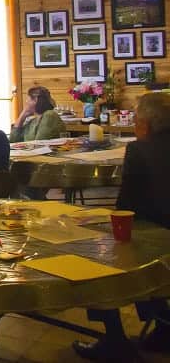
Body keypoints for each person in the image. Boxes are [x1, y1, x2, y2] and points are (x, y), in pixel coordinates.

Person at [73, 92, 170, 360]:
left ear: (145, 125)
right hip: (161, 233)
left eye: (136, 120)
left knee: (97, 250)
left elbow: (126, 205)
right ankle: (163, 324)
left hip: (158, 236)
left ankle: (114, 340)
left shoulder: (139, 150)